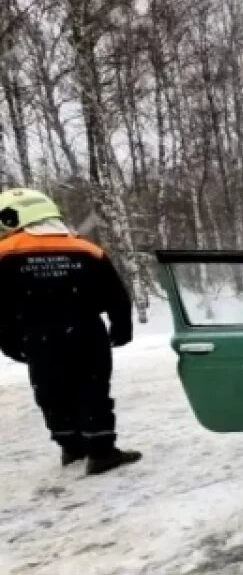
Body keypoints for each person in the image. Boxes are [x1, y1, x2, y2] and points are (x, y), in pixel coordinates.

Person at [0, 188, 142, 474]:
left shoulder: (4, 253)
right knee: (93, 388)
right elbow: (116, 295)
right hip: (86, 330)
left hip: (37, 333)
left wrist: (9, 341)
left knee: (51, 390)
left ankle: (71, 445)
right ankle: (101, 450)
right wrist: (121, 327)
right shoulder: (86, 249)